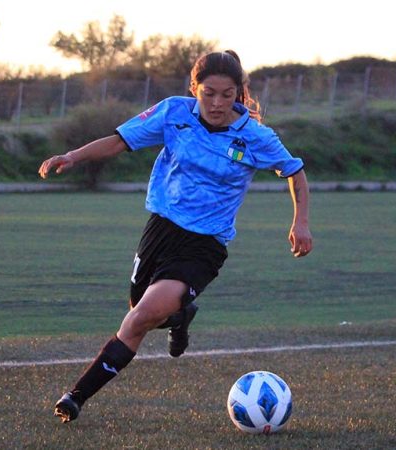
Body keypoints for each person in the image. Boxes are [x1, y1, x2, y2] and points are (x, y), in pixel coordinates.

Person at [38, 50, 313, 423]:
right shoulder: (173, 113)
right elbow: (120, 139)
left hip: (204, 246)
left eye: (227, 94)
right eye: (208, 93)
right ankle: (181, 315)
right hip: (161, 229)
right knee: (140, 306)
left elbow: (294, 172)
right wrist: (73, 155)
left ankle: (75, 397)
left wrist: (300, 223)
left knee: (138, 319)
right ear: (193, 88)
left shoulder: (256, 137)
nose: (217, 103)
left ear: (240, 93)